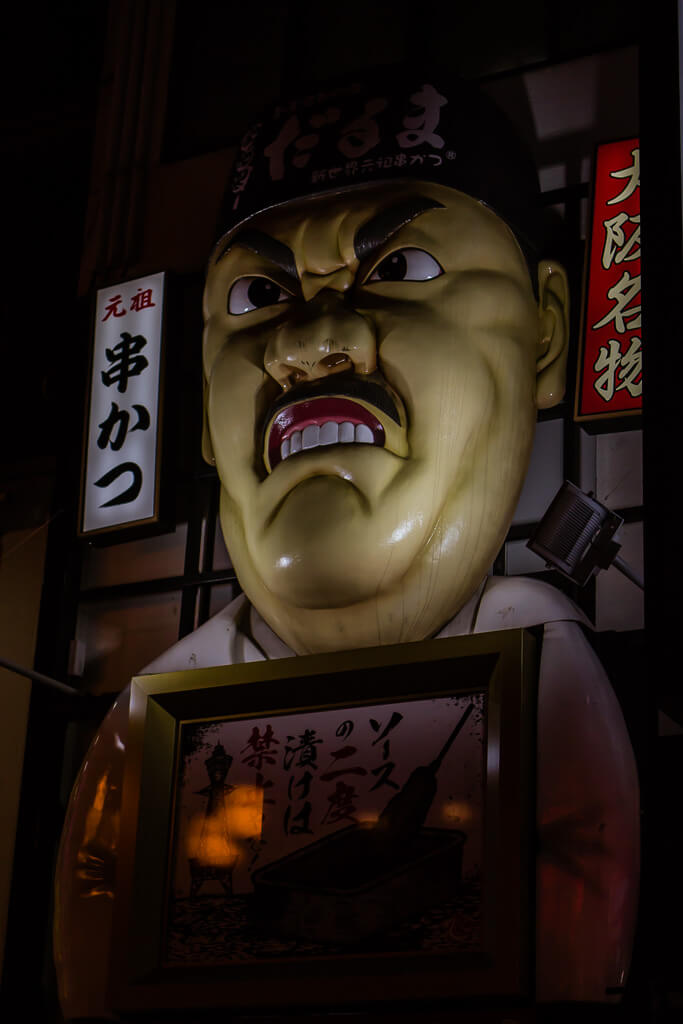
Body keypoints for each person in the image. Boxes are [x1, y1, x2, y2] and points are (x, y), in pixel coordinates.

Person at [54, 71, 639, 1017]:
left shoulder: (537, 647)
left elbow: (581, 855)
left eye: (401, 271)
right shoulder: (167, 695)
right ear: (201, 414)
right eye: (255, 296)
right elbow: (96, 892)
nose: (310, 343)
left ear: (545, 334)